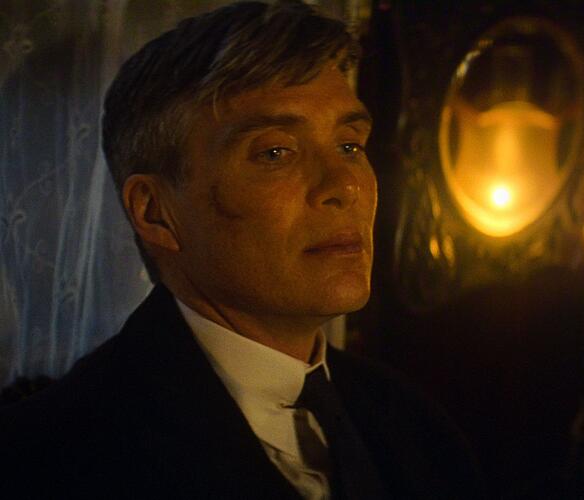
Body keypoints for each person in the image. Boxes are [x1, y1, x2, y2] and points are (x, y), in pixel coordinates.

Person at [0, 2, 485, 498]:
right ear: (155, 211)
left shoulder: (411, 420)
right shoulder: (47, 460)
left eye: (349, 146)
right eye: (276, 152)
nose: (344, 186)